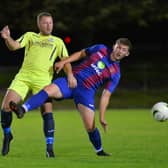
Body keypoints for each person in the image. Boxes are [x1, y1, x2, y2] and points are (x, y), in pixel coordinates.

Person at [10, 38, 132, 156]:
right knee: (47, 90)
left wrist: (102, 117)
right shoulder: (101, 48)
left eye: (123, 50)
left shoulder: (116, 73)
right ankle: (23, 109)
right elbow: (80, 54)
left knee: (90, 127)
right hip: (72, 80)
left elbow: (106, 95)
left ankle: (99, 151)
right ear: (114, 46)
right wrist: (64, 62)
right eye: (118, 47)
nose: (119, 51)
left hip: (86, 92)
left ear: (126, 54)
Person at [0, 12, 76, 157]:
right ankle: (8, 135)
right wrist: (7, 38)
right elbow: (14, 46)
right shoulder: (30, 36)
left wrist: (70, 74)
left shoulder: (58, 41)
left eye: (51, 23)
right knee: (5, 108)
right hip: (24, 77)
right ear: (39, 24)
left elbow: (65, 60)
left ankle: (49, 148)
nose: (49, 25)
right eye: (45, 23)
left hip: (43, 81)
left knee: (47, 113)